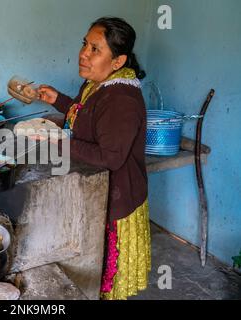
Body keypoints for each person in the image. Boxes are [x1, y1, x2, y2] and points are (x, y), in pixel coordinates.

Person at [37, 17, 150, 300]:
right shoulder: (98, 84)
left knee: (102, 283)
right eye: (84, 44)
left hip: (116, 201)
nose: (83, 54)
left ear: (118, 61)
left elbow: (111, 157)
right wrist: (57, 100)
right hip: (97, 191)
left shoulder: (121, 99)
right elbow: (85, 113)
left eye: (95, 49)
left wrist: (59, 142)